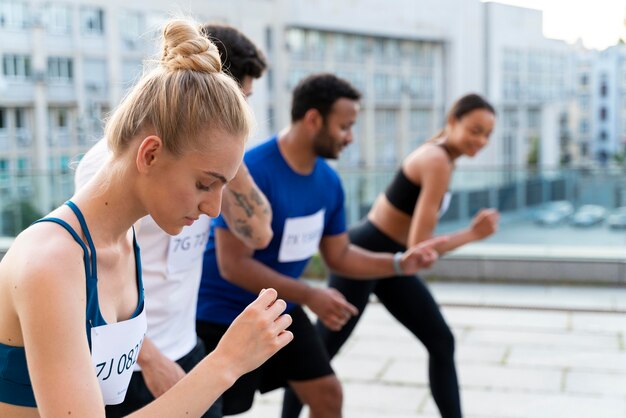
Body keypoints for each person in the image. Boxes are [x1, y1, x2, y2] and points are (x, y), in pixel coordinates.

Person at [0, 19, 292, 418]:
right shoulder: (51, 261)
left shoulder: (123, 240)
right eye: (206, 184)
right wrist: (226, 363)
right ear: (150, 155)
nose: (214, 209)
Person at [195, 73, 445, 418]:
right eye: (344, 126)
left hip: (280, 307)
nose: (350, 137)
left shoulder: (328, 181)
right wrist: (311, 295)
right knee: (223, 410)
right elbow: (233, 265)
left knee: (327, 395)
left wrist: (401, 264)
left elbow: (339, 255)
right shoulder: (252, 170)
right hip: (222, 314)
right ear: (313, 119)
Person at [74, 23, 272, 418]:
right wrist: (150, 360)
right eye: (239, 98)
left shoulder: (215, 163)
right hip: (133, 362)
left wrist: (229, 162)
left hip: (187, 343)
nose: (211, 207)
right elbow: (90, 279)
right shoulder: (111, 167)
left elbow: (260, 233)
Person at [282, 93, 500, 418]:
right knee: (320, 350)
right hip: (366, 253)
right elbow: (419, 246)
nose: (481, 140)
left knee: (440, 341)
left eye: (487, 134)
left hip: (390, 258)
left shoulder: (443, 158)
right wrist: (472, 234)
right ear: (452, 121)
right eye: (475, 130)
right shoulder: (437, 160)